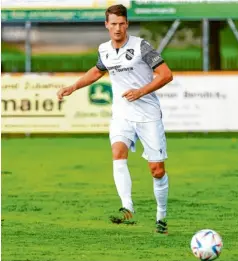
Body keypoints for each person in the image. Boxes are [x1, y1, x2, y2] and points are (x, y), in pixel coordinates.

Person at [57, 4, 173, 234]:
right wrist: (73, 86)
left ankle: (161, 215)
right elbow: (97, 71)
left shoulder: (142, 47)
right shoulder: (104, 49)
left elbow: (166, 74)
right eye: (113, 24)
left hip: (148, 115)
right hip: (122, 114)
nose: (118, 28)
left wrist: (140, 91)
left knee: (157, 170)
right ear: (106, 25)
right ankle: (127, 207)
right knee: (118, 153)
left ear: (127, 24)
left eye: (122, 24)